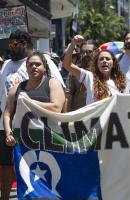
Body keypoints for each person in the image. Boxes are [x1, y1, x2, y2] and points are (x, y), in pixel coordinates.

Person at [0, 30, 64, 199]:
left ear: (25, 44)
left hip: (42, 130)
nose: (10, 47)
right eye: (10, 44)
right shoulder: (7, 65)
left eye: (14, 44)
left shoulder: (47, 67)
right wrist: (7, 130)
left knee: (43, 165)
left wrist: (63, 122)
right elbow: (5, 104)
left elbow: (59, 101)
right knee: (8, 165)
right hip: (12, 129)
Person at [63, 35, 126, 104]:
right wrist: (73, 43)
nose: (104, 61)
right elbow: (67, 65)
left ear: (113, 64)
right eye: (101, 59)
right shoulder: (89, 76)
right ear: (97, 64)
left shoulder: (120, 81)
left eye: (107, 59)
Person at [64, 39, 99, 112]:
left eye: (89, 52)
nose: (85, 55)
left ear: (96, 52)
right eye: (83, 52)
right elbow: (68, 95)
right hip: (79, 114)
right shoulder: (74, 71)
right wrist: (65, 118)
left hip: (97, 113)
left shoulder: (101, 71)